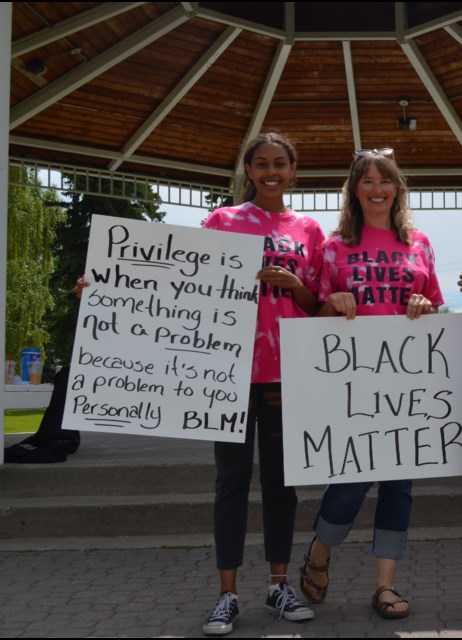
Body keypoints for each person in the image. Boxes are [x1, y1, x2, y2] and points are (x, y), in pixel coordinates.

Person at [298, 148, 444, 620]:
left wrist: (423, 304)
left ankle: (385, 585)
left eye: (386, 181)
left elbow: (435, 310)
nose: (378, 189)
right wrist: (333, 301)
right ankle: (319, 553)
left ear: (398, 187)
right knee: (351, 481)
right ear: (354, 190)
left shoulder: (419, 242)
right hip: (350, 384)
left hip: (406, 384)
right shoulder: (335, 245)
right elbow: (315, 316)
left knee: (399, 486)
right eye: (368, 181)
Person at [200, 132, 325, 635]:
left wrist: (296, 287)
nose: (271, 172)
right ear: (248, 170)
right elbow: (187, 287)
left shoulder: (310, 230)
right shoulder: (222, 221)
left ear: (294, 171)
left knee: (281, 483)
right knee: (231, 483)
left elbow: (320, 305)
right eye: (261, 164)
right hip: (228, 372)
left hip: (285, 373)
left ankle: (278, 585)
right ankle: (226, 595)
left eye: (280, 164)